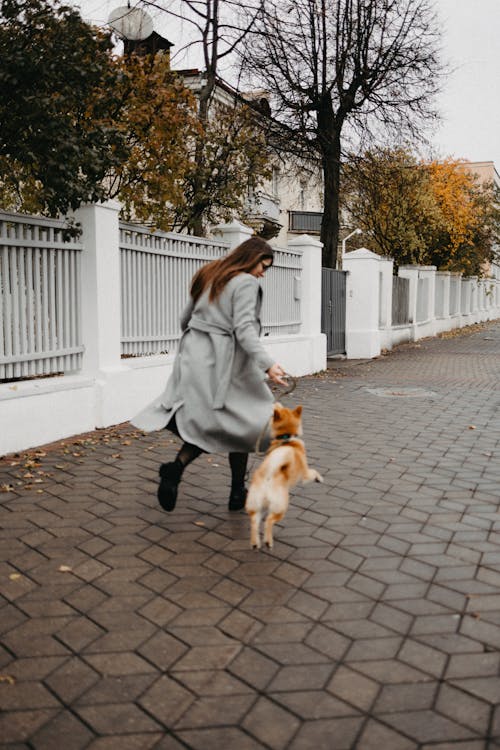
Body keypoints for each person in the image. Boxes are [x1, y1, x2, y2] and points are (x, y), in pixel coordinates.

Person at [131, 236, 287, 512]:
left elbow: (185, 320)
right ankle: (230, 488)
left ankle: (187, 474)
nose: (263, 274)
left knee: (227, 424)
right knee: (247, 421)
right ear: (250, 258)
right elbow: (244, 329)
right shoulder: (245, 282)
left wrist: (202, 341)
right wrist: (268, 364)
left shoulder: (209, 273)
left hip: (194, 360)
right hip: (227, 367)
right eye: (263, 266)